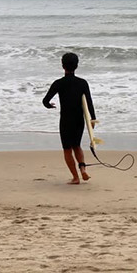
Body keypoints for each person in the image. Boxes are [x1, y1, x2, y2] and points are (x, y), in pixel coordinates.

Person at [43, 52, 97, 184]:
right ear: (76, 66)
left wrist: (50, 106)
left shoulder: (58, 83)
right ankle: (83, 169)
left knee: (67, 149)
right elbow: (89, 102)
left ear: (63, 66)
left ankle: (76, 177)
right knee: (77, 146)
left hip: (66, 121)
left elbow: (45, 101)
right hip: (79, 120)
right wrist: (93, 118)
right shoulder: (82, 83)